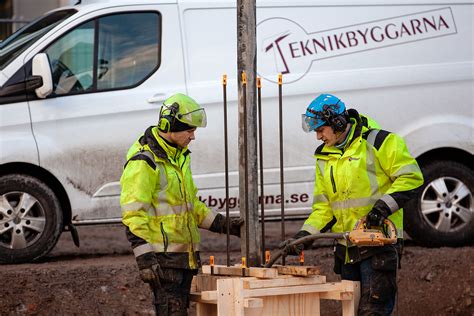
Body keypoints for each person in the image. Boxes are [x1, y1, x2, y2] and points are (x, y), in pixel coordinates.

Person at [281, 93, 424, 315]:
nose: (318, 136)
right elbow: (324, 208)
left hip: (379, 244)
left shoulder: (379, 142)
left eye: (320, 130)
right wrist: (304, 235)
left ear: (337, 122)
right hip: (347, 249)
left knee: (372, 311)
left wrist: (382, 208)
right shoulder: (324, 158)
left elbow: (412, 177)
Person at [120, 93, 242, 315]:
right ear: (170, 126)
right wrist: (145, 260)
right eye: (190, 130)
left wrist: (225, 225)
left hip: (183, 259)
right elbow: (133, 214)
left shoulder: (178, 156)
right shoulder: (145, 161)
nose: (193, 136)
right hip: (163, 262)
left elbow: (189, 207)